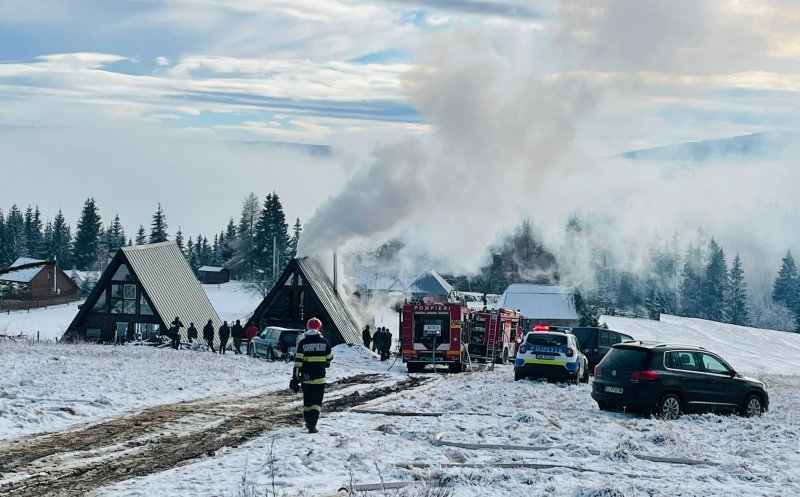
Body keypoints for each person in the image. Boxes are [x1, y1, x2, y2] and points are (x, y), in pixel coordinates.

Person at [294, 317, 333, 434]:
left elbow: (298, 363)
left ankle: (307, 422)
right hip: (319, 380)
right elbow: (330, 358)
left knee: (307, 402)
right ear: (320, 328)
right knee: (317, 403)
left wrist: (295, 378)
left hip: (306, 380)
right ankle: (313, 424)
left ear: (307, 328)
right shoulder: (324, 342)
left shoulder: (302, 343)